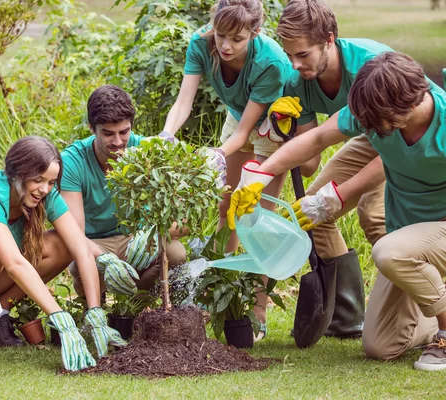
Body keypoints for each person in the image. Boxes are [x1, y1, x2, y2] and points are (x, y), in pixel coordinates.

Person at [230, 51, 446, 370]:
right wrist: (259, 176)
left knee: (388, 252)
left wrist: (338, 197)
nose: (369, 131)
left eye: (376, 125)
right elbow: (318, 137)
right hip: (408, 231)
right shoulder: (378, 107)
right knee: (380, 346)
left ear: (408, 105)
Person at [159, 0, 296, 339]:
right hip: (241, 116)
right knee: (226, 209)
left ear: (255, 32)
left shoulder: (271, 62)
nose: (225, 45)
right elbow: (183, 101)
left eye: (237, 38)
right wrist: (166, 135)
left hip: (273, 125)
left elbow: (245, 134)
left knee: (256, 218)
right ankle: (219, 298)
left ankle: (258, 309)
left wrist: (216, 154)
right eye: (221, 35)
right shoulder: (201, 43)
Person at [259, 0, 396, 338]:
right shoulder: (297, 83)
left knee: (375, 217)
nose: (295, 64)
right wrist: (281, 129)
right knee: (312, 213)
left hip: (403, 136)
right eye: (290, 55)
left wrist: (342, 194)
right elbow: (308, 165)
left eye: (303, 54)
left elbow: (398, 145)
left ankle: (406, 309)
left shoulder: (370, 64)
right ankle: (348, 318)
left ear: (329, 39)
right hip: (368, 137)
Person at [0, 136, 124, 371]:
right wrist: (58, 316)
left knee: (60, 245)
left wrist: (95, 311)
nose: (44, 189)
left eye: (51, 182)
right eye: (38, 180)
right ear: (16, 173)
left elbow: (79, 247)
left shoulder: (44, 195)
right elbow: (14, 264)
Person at [60, 85, 188, 298]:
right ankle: (94, 307)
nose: (118, 142)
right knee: (79, 263)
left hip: (137, 238)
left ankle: (139, 301)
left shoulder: (147, 151)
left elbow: (183, 223)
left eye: (124, 132)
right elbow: (74, 232)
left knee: (176, 253)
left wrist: (150, 236)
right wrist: (106, 260)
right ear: (92, 128)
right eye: (108, 134)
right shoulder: (73, 162)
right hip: (96, 242)